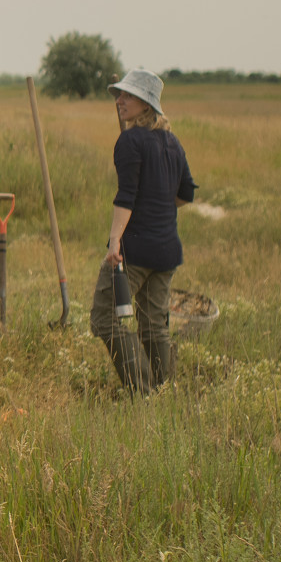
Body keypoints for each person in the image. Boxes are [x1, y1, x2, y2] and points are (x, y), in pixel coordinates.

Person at [91, 68, 196, 394]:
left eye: (128, 96)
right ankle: (164, 392)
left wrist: (114, 242)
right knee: (153, 326)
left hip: (134, 250)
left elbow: (126, 198)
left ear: (146, 104)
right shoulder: (172, 142)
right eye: (119, 95)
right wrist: (158, 202)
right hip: (166, 250)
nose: (119, 100)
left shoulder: (130, 140)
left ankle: (144, 392)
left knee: (104, 319)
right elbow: (186, 194)